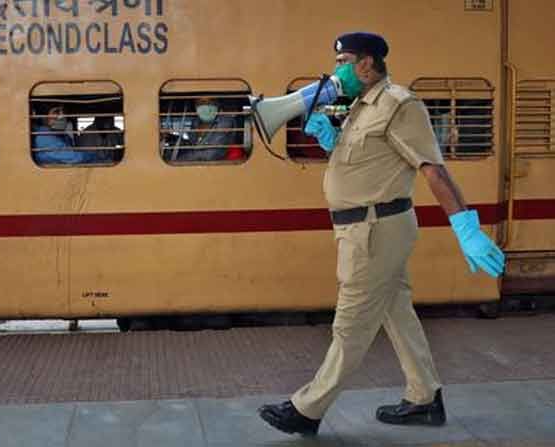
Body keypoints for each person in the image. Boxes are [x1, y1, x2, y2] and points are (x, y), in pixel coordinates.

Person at [258, 32, 505, 437]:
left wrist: (467, 228)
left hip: (374, 231)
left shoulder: (399, 105)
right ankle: (425, 397)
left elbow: (432, 169)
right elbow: (371, 162)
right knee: (397, 313)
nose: (338, 69)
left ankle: (307, 408)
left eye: (345, 60)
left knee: (351, 324)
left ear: (367, 64)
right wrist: (331, 141)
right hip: (365, 229)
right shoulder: (361, 106)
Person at [162, 97, 240, 162]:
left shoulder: (225, 122)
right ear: (195, 106)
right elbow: (191, 146)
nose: (206, 106)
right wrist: (171, 137)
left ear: (217, 104)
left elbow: (210, 154)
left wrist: (178, 161)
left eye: (210, 102)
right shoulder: (196, 122)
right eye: (201, 102)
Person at [33, 106, 98, 165]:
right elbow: (74, 158)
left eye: (63, 112)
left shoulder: (62, 135)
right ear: (45, 117)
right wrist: (94, 157)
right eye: (56, 112)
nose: (61, 116)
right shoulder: (43, 137)